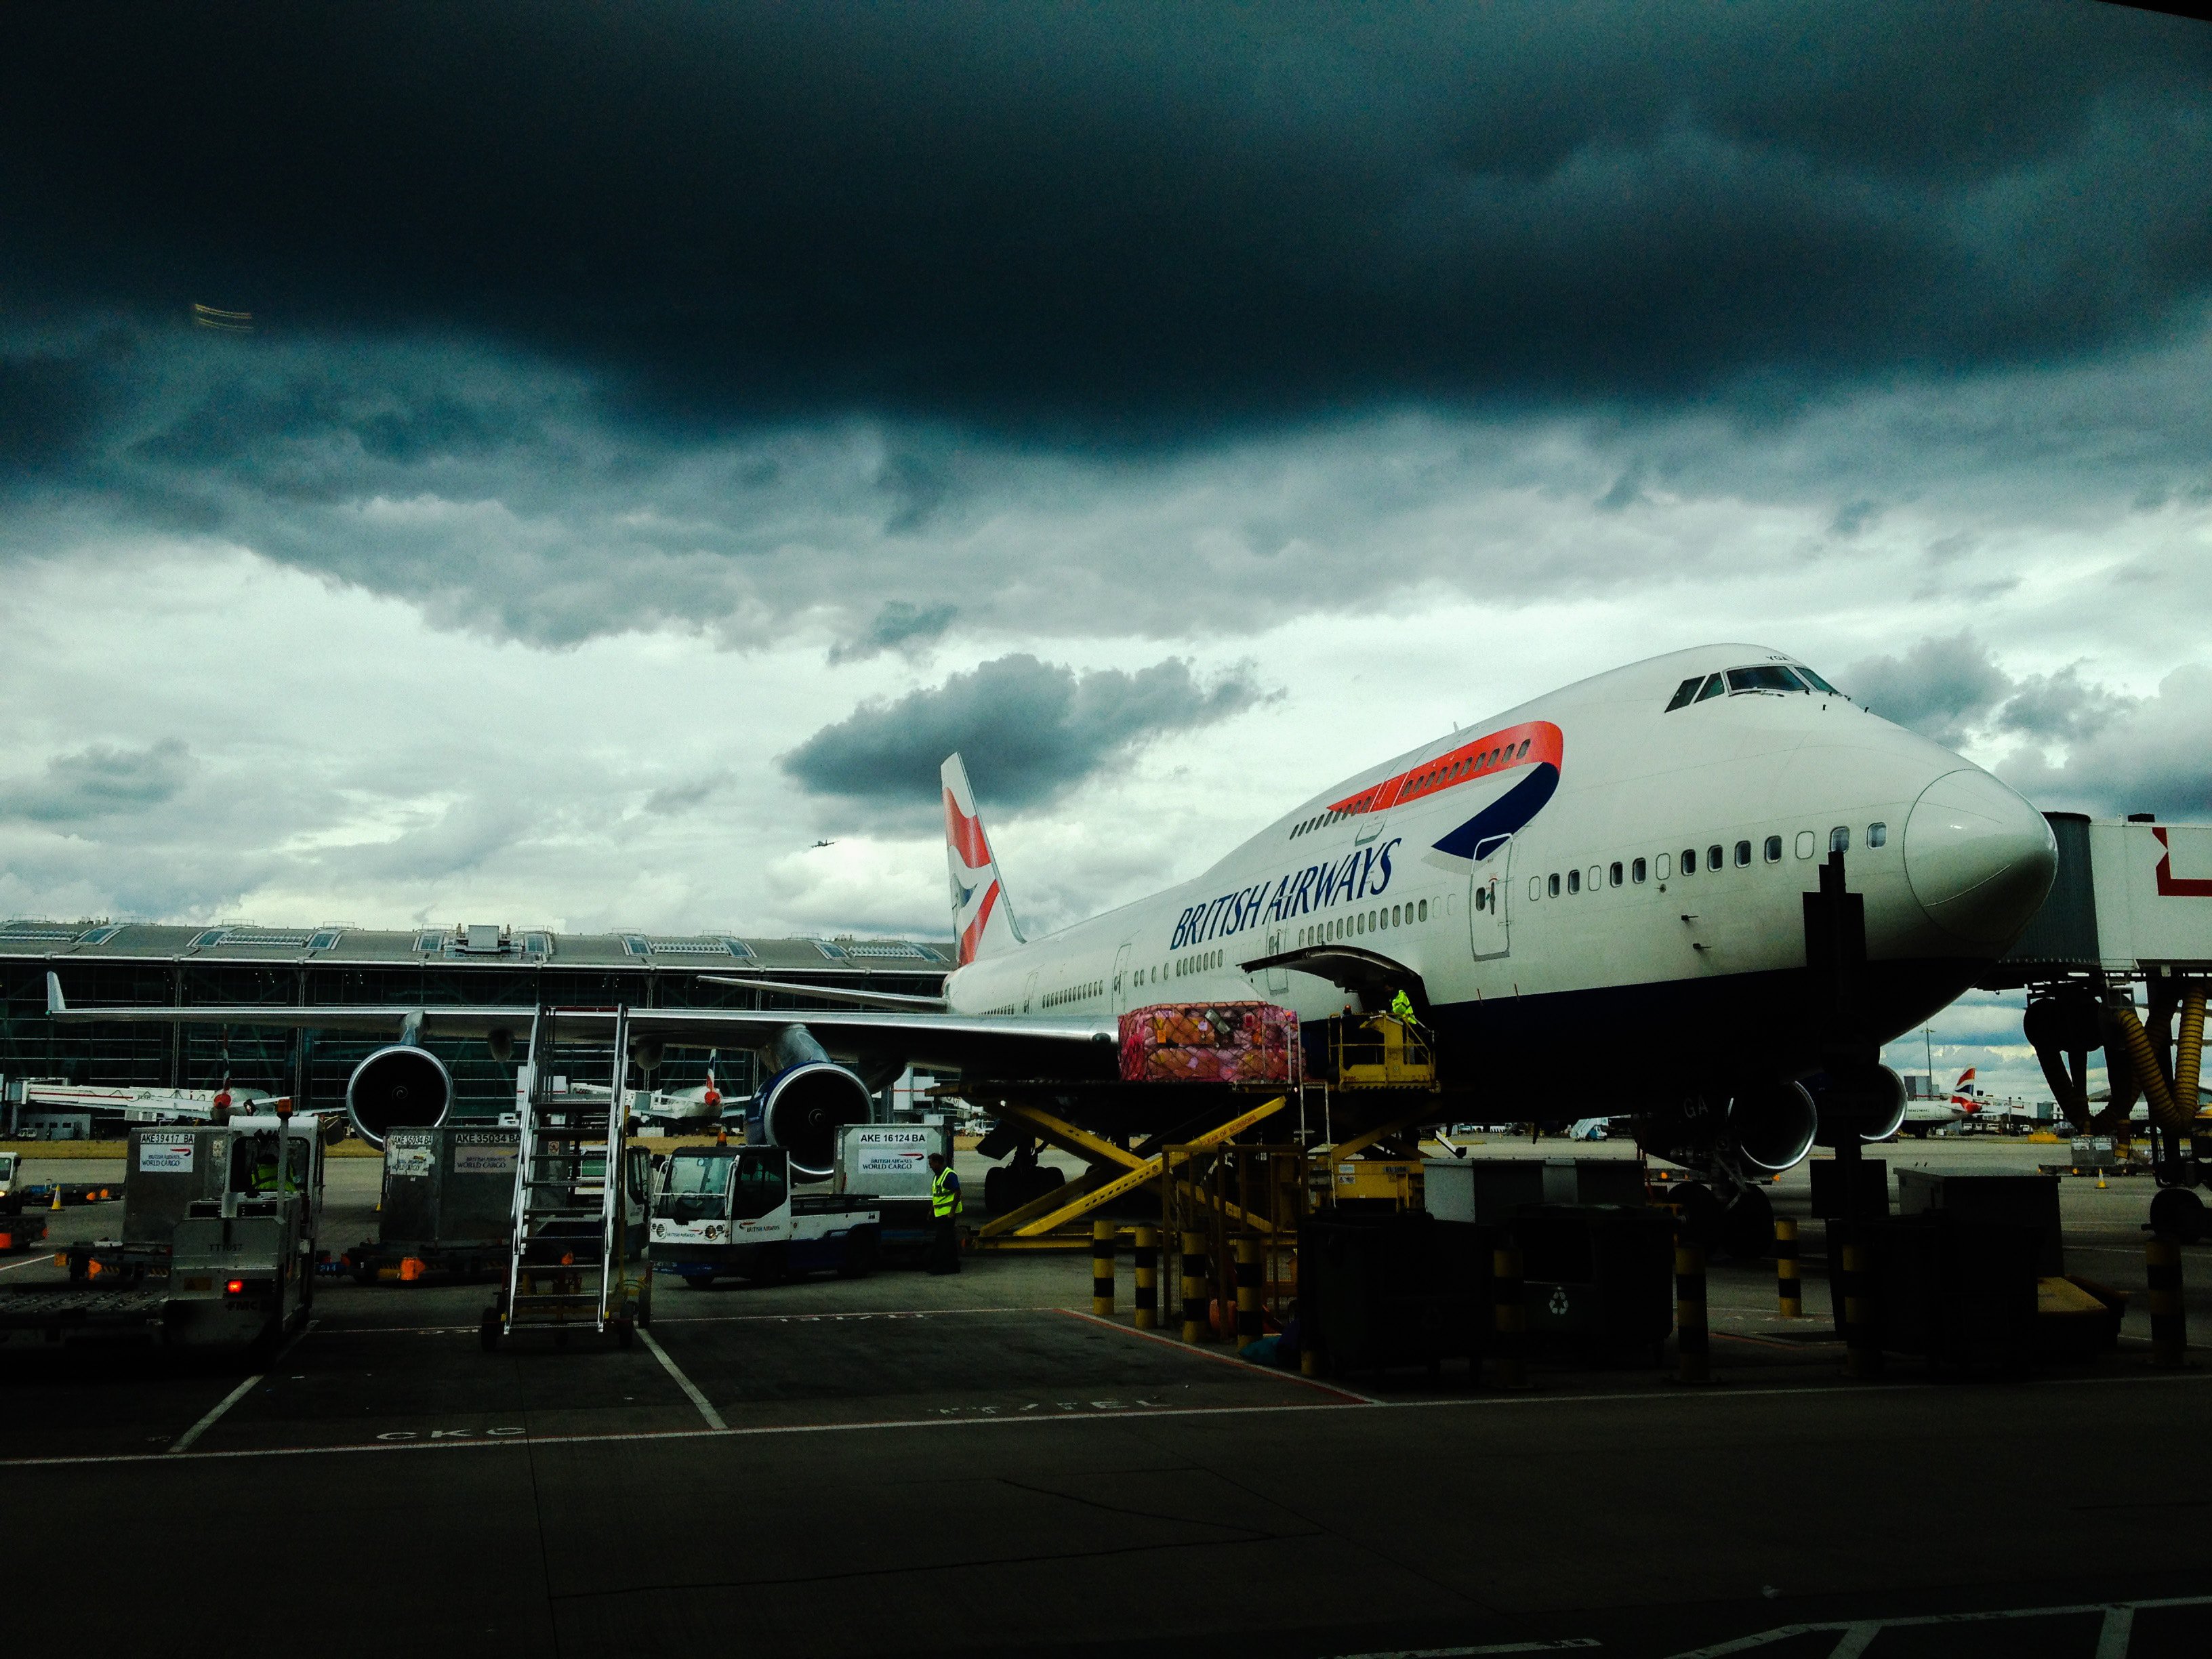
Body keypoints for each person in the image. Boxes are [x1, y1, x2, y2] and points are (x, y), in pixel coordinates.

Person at [927, 1151, 964, 1275]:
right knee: (949, 1241)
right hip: (940, 1213)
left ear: (938, 1163)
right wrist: (932, 1210)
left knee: (942, 1242)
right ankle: (954, 1267)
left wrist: (952, 1212)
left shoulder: (949, 1175)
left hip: (948, 1214)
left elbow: (958, 1192)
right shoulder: (937, 1176)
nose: (930, 1166)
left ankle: (942, 1268)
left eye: (931, 1164)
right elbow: (937, 1195)